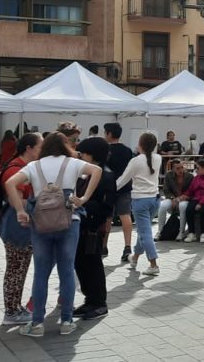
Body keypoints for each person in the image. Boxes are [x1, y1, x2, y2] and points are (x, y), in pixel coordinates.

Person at [4, 132, 101, 337]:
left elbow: (10, 183)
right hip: (69, 221)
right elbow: (97, 170)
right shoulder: (72, 163)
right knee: (66, 272)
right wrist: (83, 198)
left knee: (41, 273)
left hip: (40, 224)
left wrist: (20, 211)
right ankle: (66, 320)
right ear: (65, 146)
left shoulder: (34, 166)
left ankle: (37, 323)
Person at [72, 137, 116, 321]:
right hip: (81, 225)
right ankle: (90, 299)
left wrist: (83, 204)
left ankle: (99, 303)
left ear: (93, 154)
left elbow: (106, 207)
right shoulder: (86, 173)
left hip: (92, 227)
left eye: (84, 153)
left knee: (93, 264)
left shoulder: (105, 175)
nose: (81, 156)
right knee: (81, 264)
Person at [0, 132, 40, 326]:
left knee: (19, 268)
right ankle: (11, 311)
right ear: (29, 148)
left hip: (19, 224)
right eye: (40, 146)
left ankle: (15, 308)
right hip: (17, 225)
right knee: (16, 268)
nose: (43, 151)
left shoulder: (22, 167)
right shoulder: (17, 169)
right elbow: (17, 199)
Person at [117, 133, 162, 275]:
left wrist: (106, 188)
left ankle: (153, 264)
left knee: (145, 233)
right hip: (155, 200)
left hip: (140, 201)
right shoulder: (158, 158)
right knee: (144, 231)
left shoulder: (136, 161)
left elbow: (122, 180)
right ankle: (135, 258)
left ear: (140, 144)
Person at [103, 123, 134, 263]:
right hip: (125, 187)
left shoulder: (105, 150)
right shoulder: (128, 151)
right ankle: (127, 247)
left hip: (108, 187)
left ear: (109, 134)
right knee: (125, 216)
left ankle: (103, 246)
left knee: (107, 217)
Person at [157, 160, 193, 240]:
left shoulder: (189, 176)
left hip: (184, 198)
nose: (180, 170)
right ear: (173, 169)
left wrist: (179, 199)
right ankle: (160, 231)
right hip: (172, 198)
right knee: (162, 206)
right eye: (177, 168)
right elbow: (166, 190)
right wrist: (173, 198)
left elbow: (191, 191)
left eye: (181, 167)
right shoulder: (169, 175)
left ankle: (181, 231)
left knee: (182, 206)